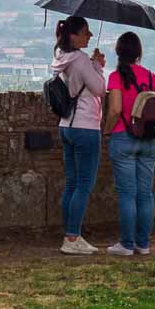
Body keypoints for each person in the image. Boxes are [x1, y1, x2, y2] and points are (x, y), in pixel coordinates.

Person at [103, 31, 155, 256]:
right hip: (148, 139)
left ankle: (127, 245)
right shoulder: (150, 77)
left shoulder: (116, 77)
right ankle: (143, 243)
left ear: (118, 52)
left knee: (127, 194)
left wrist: (107, 131)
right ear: (139, 53)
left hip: (123, 137)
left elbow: (116, 109)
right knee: (145, 194)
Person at [50, 15, 106, 255]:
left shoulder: (60, 57)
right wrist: (98, 66)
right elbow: (100, 90)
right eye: (85, 32)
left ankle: (70, 234)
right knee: (84, 184)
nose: (90, 35)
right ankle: (72, 238)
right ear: (73, 36)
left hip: (66, 125)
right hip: (85, 126)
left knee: (72, 182)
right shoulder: (81, 61)